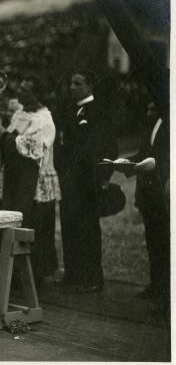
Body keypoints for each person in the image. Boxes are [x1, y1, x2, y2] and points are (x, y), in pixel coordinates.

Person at [56, 73, 117, 292]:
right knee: (69, 225)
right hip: (69, 182)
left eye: (78, 84)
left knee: (89, 229)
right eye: (71, 83)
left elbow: (109, 147)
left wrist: (104, 177)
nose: (72, 88)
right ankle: (73, 274)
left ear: (90, 86)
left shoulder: (99, 112)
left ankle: (93, 277)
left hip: (89, 183)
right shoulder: (68, 112)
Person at [0, 78, 61, 284]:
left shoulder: (45, 119)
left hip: (35, 181)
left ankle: (35, 274)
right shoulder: (20, 113)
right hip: (16, 179)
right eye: (20, 89)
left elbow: (33, 147)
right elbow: (13, 136)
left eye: (25, 90)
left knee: (35, 224)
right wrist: (5, 137)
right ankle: (14, 273)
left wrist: (5, 137)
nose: (20, 93)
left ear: (36, 94)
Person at [115, 101, 169, 307]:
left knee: (163, 243)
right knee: (152, 241)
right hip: (148, 195)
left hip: (160, 195)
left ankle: (164, 291)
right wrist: (126, 165)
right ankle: (156, 285)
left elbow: (160, 159)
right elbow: (144, 155)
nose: (148, 112)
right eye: (147, 108)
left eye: (152, 108)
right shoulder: (150, 128)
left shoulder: (167, 127)